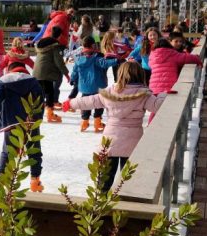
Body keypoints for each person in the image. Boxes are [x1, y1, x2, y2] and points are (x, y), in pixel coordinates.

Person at [63, 61, 164, 192]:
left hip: (110, 142)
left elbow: (89, 101)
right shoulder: (144, 95)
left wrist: (70, 103)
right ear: (141, 75)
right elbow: (157, 106)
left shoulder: (109, 93)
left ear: (120, 74)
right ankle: (125, 202)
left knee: (105, 179)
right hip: (133, 141)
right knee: (127, 180)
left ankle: (100, 203)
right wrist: (164, 94)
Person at [0, 59, 45, 193]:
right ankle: (35, 180)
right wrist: (38, 118)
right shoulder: (33, 82)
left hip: (11, 122)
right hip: (30, 122)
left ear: (10, 69)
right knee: (34, 150)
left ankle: (2, 178)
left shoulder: (4, 81)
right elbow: (41, 100)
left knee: (8, 151)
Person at [68, 37, 117, 132]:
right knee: (99, 103)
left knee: (86, 104)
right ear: (93, 45)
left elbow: (75, 70)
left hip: (85, 86)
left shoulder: (78, 58)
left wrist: (72, 79)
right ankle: (97, 121)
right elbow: (104, 63)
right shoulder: (96, 57)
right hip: (97, 85)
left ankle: (84, 122)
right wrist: (116, 61)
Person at [33, 28, 68, 123]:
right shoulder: (55, 46)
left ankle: (35, 114)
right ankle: (49, 113)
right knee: (49, 92)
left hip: (37, 72)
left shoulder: (42, 44)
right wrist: (66, 73)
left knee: (40, 93)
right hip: (46, 73)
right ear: (60, 35)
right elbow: (59, 62)